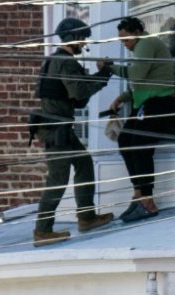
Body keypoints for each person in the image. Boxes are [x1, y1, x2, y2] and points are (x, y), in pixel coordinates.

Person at [31, 18, 114, 247]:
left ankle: (86, 217)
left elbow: (74, 98)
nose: (84, 43)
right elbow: (78, 94)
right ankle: (42, 230)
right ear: (74, 38)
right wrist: (104, 74)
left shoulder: (54, 60)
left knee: (84, 164)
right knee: (57, 178)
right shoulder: (66, 62)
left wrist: (92, 79)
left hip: (60, 127)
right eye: (82, 39)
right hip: (56, 130)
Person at [108, 17, 175, 223]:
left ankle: (147, 201)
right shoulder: (144, 47)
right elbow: (145, 82)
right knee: (126, 140)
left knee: (140, 145)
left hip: (161, 102)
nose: (124, 44)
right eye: (121, 41)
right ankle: (139, 193)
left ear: (137, 33)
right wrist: (121, 98)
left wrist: (110, 67)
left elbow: (136, 75)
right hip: (148, 102)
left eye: (126, 39)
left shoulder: (147, 43)